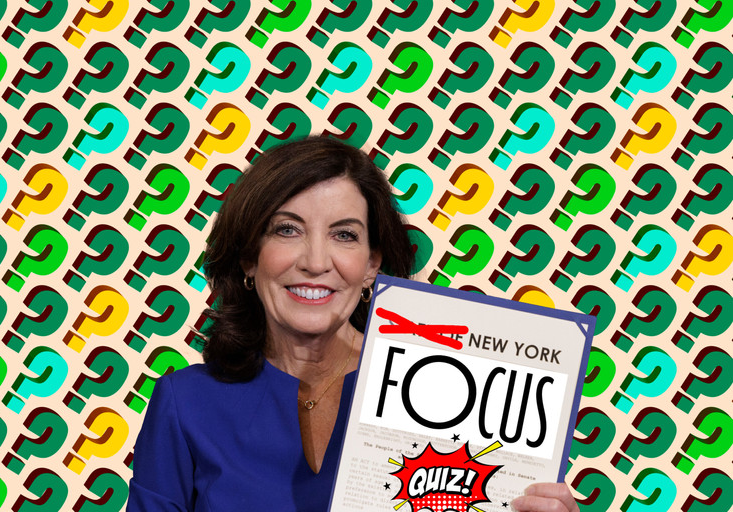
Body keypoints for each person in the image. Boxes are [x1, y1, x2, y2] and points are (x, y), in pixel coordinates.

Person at [127, 136, 580, 512]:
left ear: (371, 265)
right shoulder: (185, 404)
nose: (316, 262)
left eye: (344, 235)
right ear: (249, 256)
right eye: (287, 229)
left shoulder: (452, 387)